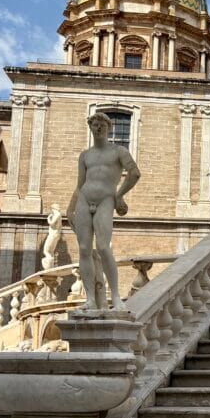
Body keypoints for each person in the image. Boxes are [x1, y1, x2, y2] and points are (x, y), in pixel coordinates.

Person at [68, 112, 140, 310]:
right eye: (94, 124)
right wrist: (70, 207)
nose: (98, 128)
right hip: (84, 198)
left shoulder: (118, 151)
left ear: (109, 128)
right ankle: (90, 299)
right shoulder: (85, 155)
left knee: (102, 246)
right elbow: (79, 184)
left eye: (102, 125)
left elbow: (134, 173)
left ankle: (116, 297)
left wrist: (119, 195)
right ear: (90, 127)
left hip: (106, 199)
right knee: (83, 249)